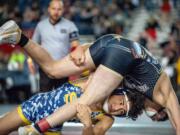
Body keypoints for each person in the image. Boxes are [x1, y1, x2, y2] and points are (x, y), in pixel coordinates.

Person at [0, 20, 180, 135]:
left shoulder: (130, 91)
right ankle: (35, 129)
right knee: (83, 101)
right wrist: (83, 48)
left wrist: (85, 48)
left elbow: (115, 48)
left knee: (52, 69)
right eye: (155, 115)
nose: (118, 108)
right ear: (161, 109)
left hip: (113, 43)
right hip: (122, 51)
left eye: (121, 111)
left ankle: (18, 36)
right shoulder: (163, 93)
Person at [0, 74, 145, 135]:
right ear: (119, 91)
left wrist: (88, 125)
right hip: (37, 106)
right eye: (121, 102)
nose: (117, 108)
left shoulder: (106, 119)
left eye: (121, 112)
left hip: (53, 127)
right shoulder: (94, 82)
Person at [32, 0, 81, 91]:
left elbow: (76, 46)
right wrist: (34, 63)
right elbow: (34, 46)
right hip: (45, 67)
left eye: (59, 9)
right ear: (48, 9)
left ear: (63, 10)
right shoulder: (41, 25)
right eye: (54, 8)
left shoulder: (70, 25)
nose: (56, 12)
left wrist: (74, 64)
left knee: (61, 97)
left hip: (63, 66)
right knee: (44, 97)